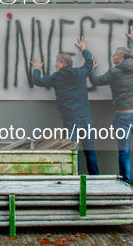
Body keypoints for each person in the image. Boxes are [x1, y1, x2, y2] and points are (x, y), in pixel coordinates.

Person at [88, 26, 133, 193]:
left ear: (122, 59)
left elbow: (95, 81)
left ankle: (126, 183)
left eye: (115, 55)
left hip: (123, 115)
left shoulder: (114, 72)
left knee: (124, 151)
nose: (113, 56)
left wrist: (91, 69)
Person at [31, 37, 99, 175]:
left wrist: (37, 69)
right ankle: (95, 178)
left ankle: (75, 178)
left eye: (56, 63)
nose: (55, 65)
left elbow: (37, 81)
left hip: (70, 120)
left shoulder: (57, 77)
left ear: (62, 63)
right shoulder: (81, 72)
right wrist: (84, 49)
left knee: (72, 151)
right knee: (89, 151)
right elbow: (89, 63)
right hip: (86, 118)